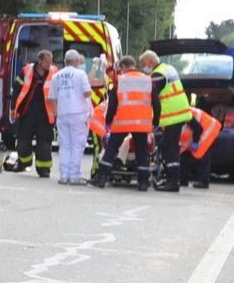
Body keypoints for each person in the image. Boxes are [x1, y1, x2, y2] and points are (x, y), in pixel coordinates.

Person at [94, 55, 157, 187]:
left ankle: (101, 178)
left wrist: (108, 121)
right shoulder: (148, 80)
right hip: (142, 123)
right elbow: (156, 103)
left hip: (122, 121)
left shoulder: (120, 80)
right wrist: (155, 121)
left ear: (123, 67)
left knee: (111, 149)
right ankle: (143, 182)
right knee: (142, 152)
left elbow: (112, 105)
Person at [144, 48, 193, 193]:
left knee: (170, 149)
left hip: (173, 115)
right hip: (177, 113)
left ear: (150, 62)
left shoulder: (158, 75)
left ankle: (173, 182)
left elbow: (150, 95)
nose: (143, 66)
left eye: (143, 63)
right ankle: (171, 179)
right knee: (167, 147)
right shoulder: (168, 68)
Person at [46, 48, 94, 184]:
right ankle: (74, 176)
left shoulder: (56, 76)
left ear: (65, 61)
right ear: (77, 61)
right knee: (77, 145)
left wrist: (56, 115)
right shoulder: (80, 74)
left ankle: (63, 175)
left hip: (62, 115)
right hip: (78, 114)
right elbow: (87, 93)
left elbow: (52, 98)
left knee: (64, 146)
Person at [10, 49, 53, 176]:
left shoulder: (53, 72)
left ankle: (44, 169)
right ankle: (23, 163)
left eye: (50, 62)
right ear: (39, 60)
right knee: (23, 140)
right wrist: (13, 107)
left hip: (45, 113)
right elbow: (17, 89)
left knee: (45, 142)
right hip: (27, 111)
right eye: (46, 62)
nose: (49, 65)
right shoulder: (26, 71)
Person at [182, 101, 222, 189]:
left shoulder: (184, 114)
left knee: (203, 154)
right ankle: (183, 180)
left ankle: (204, 182)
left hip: (209, 128)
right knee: (185, 154)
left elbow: (198, 128)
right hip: (202, 129)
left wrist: (195, 142)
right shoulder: (179, 114)